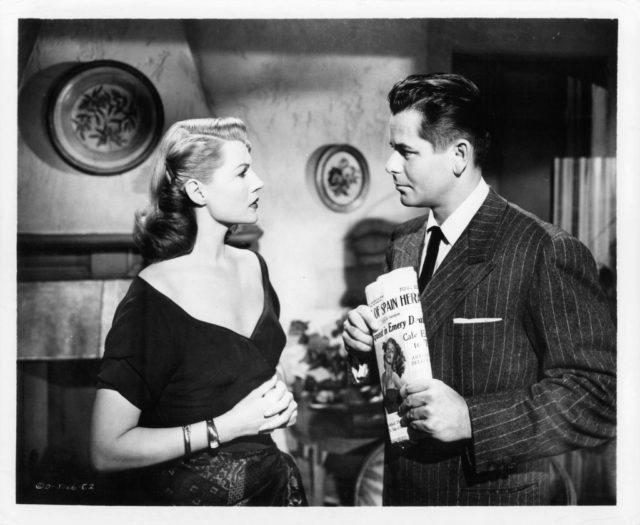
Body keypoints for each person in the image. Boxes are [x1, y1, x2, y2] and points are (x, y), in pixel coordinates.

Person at [342, 73, 616, 505]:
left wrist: (473, 419)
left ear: (459, 155)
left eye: (405, 151)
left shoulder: (545, 249)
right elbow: (406, 368)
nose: (391, 166)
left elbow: (599, 398)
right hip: (406, 496)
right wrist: (365, 347)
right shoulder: (404, 242)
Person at [90, 118, 307, 506]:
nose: (258, 182)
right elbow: (107, 449)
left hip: (272, 488)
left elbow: (248, 370)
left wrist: (277, 404)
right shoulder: (153, 296)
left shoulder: (254, 267)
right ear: (197, 190)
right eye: (242, 172)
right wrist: (229, 425)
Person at [380, 338, 404, 414]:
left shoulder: (394, 376)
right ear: (385, 352)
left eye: (392, 351)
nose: (390, 352)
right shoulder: (383, 376)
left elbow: (407, 397)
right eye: (388, 349)